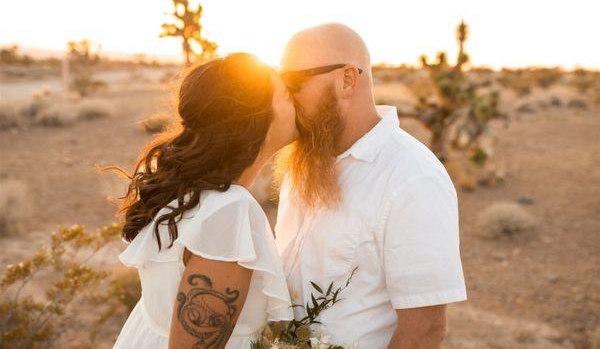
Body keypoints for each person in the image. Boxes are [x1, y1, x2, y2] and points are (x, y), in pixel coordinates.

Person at [274, 23, 467, 348]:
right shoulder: (303, 165)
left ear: (347, 79)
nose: (286, 97)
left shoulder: (412, 178)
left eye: (294, 82)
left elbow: (424, 330)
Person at [112, 53, 296, 348]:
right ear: (257, 120)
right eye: (287, 95)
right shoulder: (229, 211)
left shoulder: (190, 189)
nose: (296, 102)